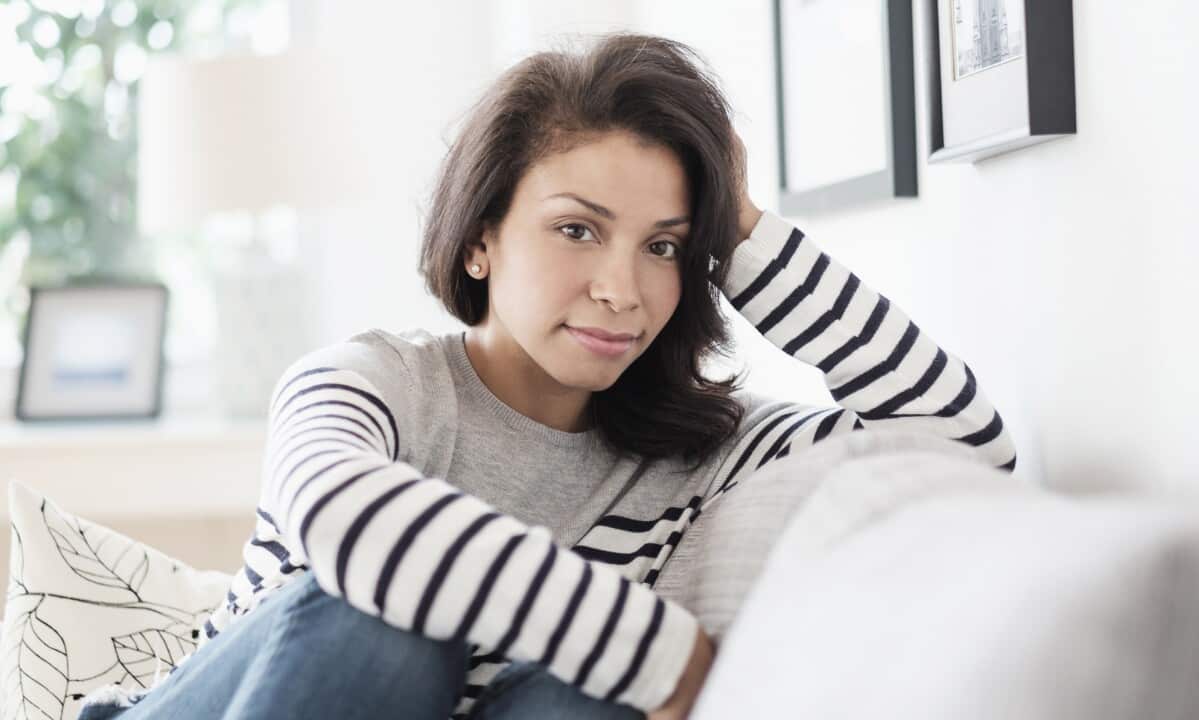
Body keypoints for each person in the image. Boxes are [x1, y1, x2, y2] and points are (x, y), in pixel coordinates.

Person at [77, 31, 1015, 720]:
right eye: (577, 229)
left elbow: (959, 449)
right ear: (480, 239)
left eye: (662, 246)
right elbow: (349, 526)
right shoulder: (368, 382)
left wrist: (738, 228)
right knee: (389, 621)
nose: (621, 289)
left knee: (584, 703)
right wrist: (662, 655)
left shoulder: (708, 452)